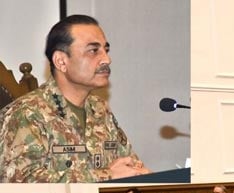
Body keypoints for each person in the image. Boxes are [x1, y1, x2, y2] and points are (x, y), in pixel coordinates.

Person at [0, 15, 149, 182]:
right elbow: (20, 181)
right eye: (93, 51)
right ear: (61, 61)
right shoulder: (26, 113)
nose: (107, 59)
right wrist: (106, 175)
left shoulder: (99, 108)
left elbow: (128, 163)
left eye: (105, 50)